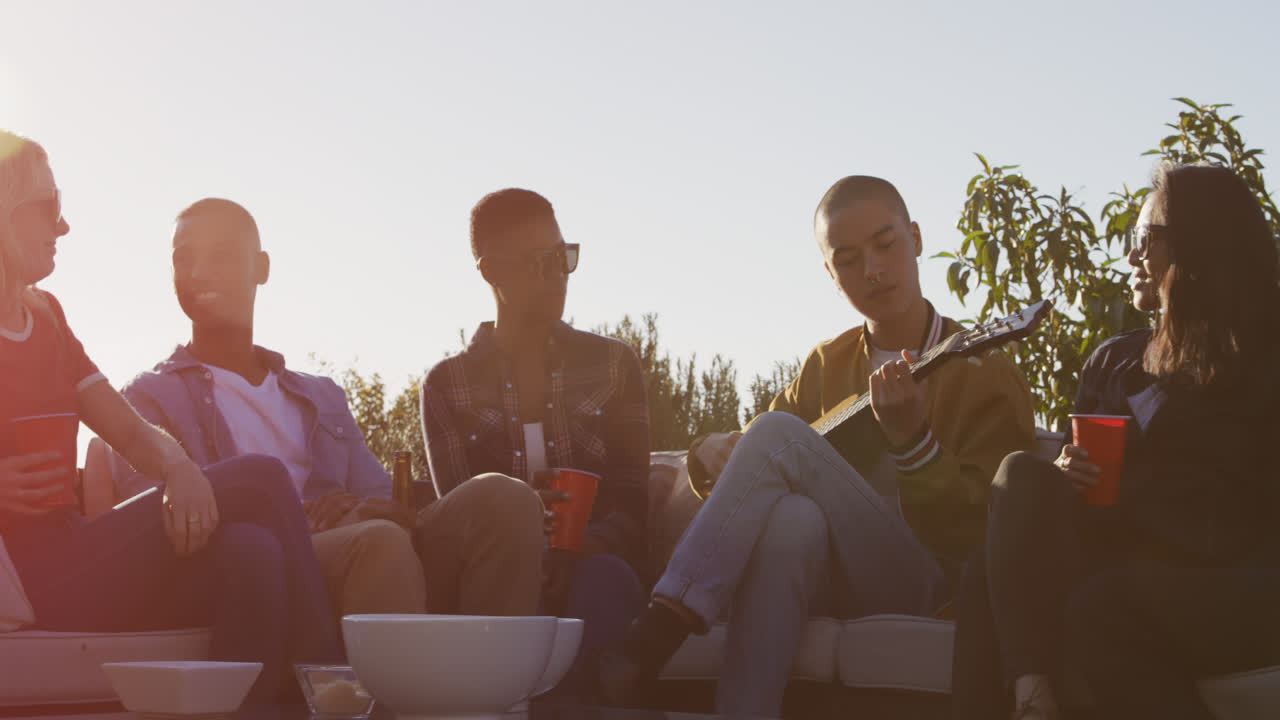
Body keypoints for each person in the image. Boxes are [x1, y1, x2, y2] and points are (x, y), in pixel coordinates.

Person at [598, 175, 1037, 717]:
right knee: (793, 519)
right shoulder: (826, 363)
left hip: (932, 584)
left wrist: (914, 444)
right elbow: (755, 461)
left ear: (918, 239)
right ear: (830, 274)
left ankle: (661, 625)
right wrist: (707, 451)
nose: (872, 270)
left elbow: (986, 534)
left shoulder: (985, 371)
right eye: (848, 260)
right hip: (822, 576)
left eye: (886, 244)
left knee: (780, 434)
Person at [0, 133, 341, 701]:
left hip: (76, 554)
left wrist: (179, 468)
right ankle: (330, 685)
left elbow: (130, 431)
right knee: (260, 478)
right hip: (23, 577)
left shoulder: (49, 318)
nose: (64, 226)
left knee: (251, 551)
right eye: (51, 205)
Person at [950, 164, 1280, 720]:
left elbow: (1236, 507)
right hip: (1123, 553)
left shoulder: (1259, 357)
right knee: (1004, 522)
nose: (1130, 255)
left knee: (1099, 605)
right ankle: (1032, 694)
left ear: (1196, 246)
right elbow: (1076, 493)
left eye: (1145, 238)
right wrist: (1067, 475)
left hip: (1231, 572)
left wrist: (1134, 487)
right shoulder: (1115, 361)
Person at [106, 197, 428, 619]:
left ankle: (497, 662)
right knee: (380, 543)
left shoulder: (323, 395)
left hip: (351, 542)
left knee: (493, 498)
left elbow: (383, 498)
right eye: (183, 259)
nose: (198, 272)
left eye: (220, 255)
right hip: (257, 561)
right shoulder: (148, 396)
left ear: (262, 268)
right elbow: (153, 522)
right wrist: (305, 521)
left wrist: (356, 507)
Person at [421, 188, 650, 693]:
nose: (557, 275)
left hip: (598, 559)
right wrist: (533, 544)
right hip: (496, 574)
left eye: (563, 258)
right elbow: (463, 514)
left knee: (604, 583)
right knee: (516, 593)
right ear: (490, 272)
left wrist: (587, 545)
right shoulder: (446, 385)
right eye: (537, 263)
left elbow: (634, 495)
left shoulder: (613, 364)